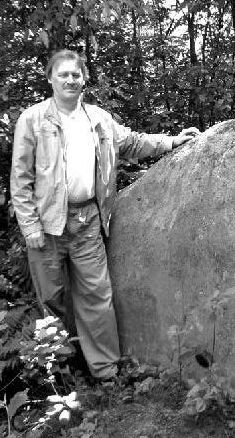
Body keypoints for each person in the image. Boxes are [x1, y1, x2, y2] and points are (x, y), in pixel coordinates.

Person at [10, 49, 200, 379]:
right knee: (52, 301)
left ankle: (105, 371)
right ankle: (60, 375)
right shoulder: (33, 120)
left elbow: (133, 143)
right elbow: (20, 177)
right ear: (50, 78)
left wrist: (173, 141)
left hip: (87, 222)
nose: (70, 80)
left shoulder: (98, 119)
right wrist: (30, 226)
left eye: (76, 74)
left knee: (97, 296)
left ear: (84, 79)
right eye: (63, 74)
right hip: (47, 225)